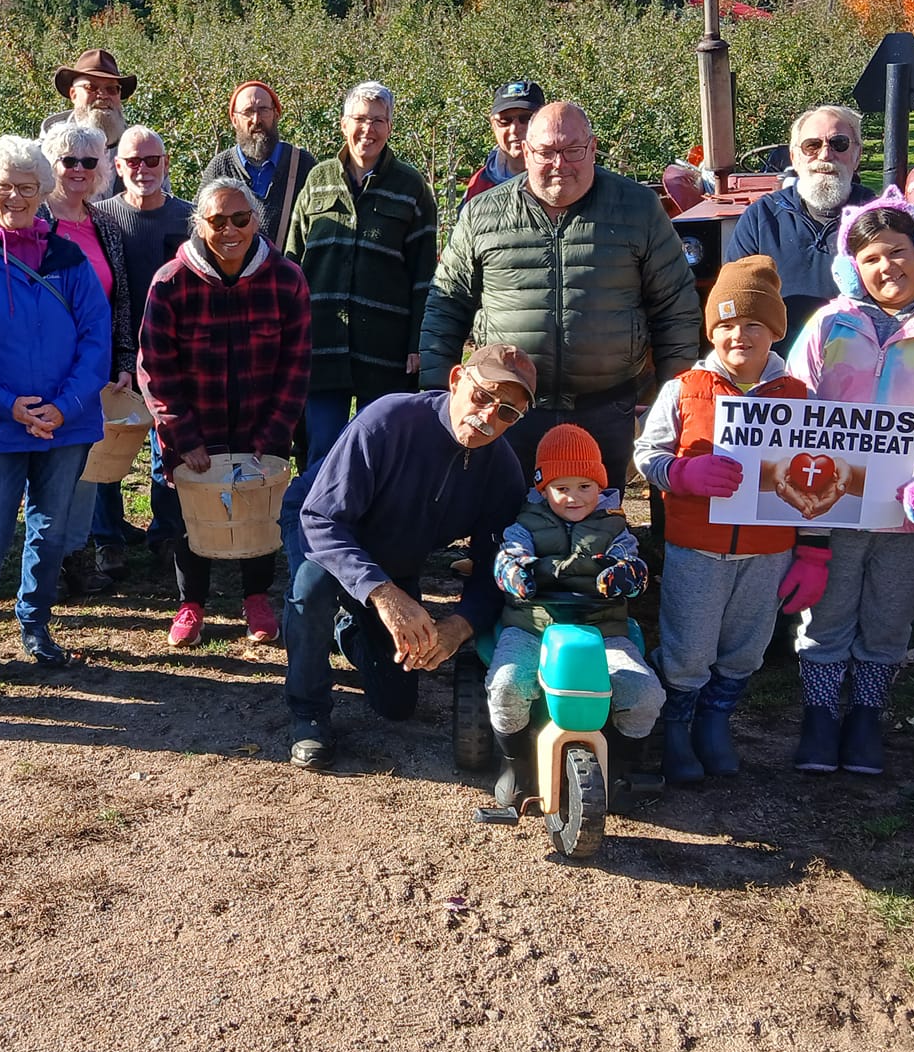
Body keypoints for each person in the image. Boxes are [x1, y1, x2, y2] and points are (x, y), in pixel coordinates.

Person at [786, 191, 914, 776]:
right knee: (827, 614)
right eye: (871, 257)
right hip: (832, 504)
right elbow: (795, 405)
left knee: (890, 615)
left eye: (897, 252)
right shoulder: (829, 325)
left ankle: (867, 715)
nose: (887, 267)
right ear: (854, 266)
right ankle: (821, 716)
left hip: (909, 513)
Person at [421, 98, 702, 487]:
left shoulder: (638, 209)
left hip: (604, 407)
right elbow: (447, 304)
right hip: (507, 410)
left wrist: (675, 396)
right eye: (547, 152)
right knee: (506, 529)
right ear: (525, 150)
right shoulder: (483, 214)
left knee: (600, 532)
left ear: (592, 147)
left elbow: (675, 306)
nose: (560, 163)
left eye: (572, 150)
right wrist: (438, 397)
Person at [283, 344, 533, 770]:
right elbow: (321, 518)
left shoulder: (503, 471)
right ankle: (308, 714)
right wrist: (384, 594)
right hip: (324, 528)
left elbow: (497, 567)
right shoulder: (388, 420)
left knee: (397, 704)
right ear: (456, 380)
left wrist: (459, 626)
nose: (490, 416)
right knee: (312, 588)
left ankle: (353, 629)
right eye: (482, 396)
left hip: (397, 555)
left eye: (508, 412)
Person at [632, 255, 819, 784]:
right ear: (711, 330)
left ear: (775, 332)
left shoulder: (798, 397)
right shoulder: (685, 388)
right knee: (689, 645)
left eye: (753, 325)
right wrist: (683, 474)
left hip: (767, 549)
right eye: (727, 325)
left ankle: (716, 721)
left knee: (746, 643)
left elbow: (821, 475)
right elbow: (646, 454)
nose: (740, 335)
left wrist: (812, 546)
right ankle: (677, 726)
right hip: (698, 545)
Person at [0, 136, 111, 685]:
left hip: (67, 424)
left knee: (52, 530)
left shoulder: (69, 258)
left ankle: (35, 624)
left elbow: (95, 339)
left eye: (27, 187)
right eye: (4, 186)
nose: (15, 196)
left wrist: (63, 407)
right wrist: (6, 404)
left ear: (43, 191)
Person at [137, 176, 310, 646]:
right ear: (200, 225)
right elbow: (155, 367)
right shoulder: (171, 282)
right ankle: (191, 603)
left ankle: (256, 598)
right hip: (196, 425)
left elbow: (296, 364)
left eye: (240, 218)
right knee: (188, 513)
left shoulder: (286, 279)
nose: (229, 229)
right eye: (217, 220)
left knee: (258, 506)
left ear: (257, 221)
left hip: (259, 424)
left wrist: (275, 434)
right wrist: (183, 437)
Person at [483, 424, 664, 815]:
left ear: (600, 485)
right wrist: (516, 574)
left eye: (585, 486)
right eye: (561, 487)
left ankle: (618, 763)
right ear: (542, 488)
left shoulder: (615, 528)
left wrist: (624, 576)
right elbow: (507, 556)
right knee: (507, 685)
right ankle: (514, 762)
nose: (573, 497)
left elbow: (635, 566)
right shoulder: (525, 524)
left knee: (644, 692)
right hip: (534, 625)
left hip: (602, 628)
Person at [285, 80, 438, 458]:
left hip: (384, 347)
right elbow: (292, 262)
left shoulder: (411, 187)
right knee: (321, 448)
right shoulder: (317, 180)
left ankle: (375, 518)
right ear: (343, 124)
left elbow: (424, 276)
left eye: (378, 121)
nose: (367, 129)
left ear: (390, 127)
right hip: (322, 344)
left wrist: (417, 342)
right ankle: (316, 517)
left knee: (380, 447)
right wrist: (288, 334)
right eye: (359, 119)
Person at [39, 120, 136, 594]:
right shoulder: (36, 220)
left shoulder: (105, 225)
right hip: (43, 365)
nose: (79, 169)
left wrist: (123, 358)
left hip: (92, 365)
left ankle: (74, 556)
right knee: (50, 466)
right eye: (68, 160)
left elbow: (120, 299)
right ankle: (45, 563)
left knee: (84, 465)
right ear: (49, 165)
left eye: (89, 161)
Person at [97, 125, 198, 559]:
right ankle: (107, 539)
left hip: (173, 355)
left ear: (166, 163)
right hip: (113, 350)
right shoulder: (101, 217)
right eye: (133, 161)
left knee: (169, 444)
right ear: (118, 168)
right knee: (107, 447)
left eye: (151, 160)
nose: (143, 169)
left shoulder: (189, 218)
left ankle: (166, 536)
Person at [722, 105, 877, 347]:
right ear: (795, 157)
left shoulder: (879, 217)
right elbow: (736, 304)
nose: (825, 155)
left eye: (839, 144)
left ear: (856, 155)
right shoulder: (761, 219)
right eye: (811, 146)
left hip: (863, 367)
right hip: (779, 370)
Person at [196, 81, 317, 248]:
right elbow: (197, 227)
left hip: (287, 273)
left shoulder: (303, 164)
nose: (256, 119)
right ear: (234, 119)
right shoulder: (220, 167)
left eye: (263, 110)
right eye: (248, 112)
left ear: (276, 114)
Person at [462, 80, 545, 203]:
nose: (515, 129)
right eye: (504, 121)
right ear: (493, 125)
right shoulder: (479, 183)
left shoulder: (564, 178)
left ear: (545, 122)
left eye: (526, 118)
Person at [40, 47, 134, 152]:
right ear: (73, 94)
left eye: (111, 89)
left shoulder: (143, 154)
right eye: (90, 87)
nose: (102, 95)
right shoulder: (43, 156)